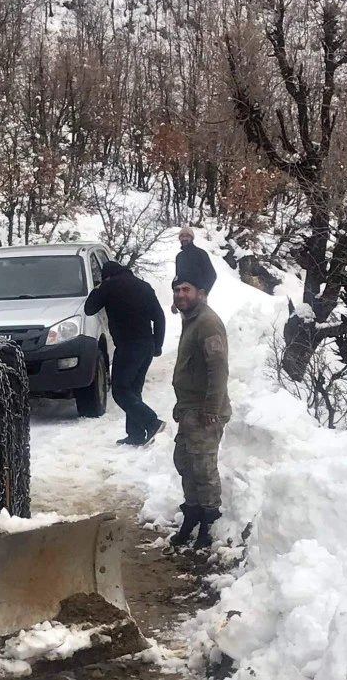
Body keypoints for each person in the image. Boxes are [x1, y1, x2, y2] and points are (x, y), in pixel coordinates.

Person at [170, 272, 231, 549]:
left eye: (186, 289)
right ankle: (192, 514)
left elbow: (218, 369)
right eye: (176, 290)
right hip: (189, 409)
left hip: (205, 411)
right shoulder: (191, 319)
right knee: (185, 463)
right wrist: (181, 404)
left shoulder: (207, 322)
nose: (180, 294)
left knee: (204, 468)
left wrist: (211, 408)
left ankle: (209, 521)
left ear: (201, 292)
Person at [85, 261, 166, 446]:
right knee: (134, 390)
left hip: (128, 346)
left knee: (121, 391)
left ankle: (151, 422)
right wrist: (157, 344)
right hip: (147, 344)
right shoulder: (144, 286)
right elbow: (159, 316)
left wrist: (98, 287)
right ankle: (136, 435)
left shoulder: (109, 286)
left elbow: (89, 308)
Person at [171, 228, 216, 314]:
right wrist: (175, 300)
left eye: (187, 236)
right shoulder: (179, 257)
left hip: (198, 297)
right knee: (187, 324)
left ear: (192, 238)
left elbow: (212, 274)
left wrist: (204, 293)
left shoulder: (200, 253)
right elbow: (178, 280)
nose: (184, 238)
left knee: (200, 323)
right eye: (182, 236)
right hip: (183, 298)